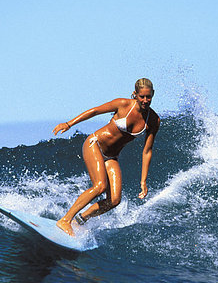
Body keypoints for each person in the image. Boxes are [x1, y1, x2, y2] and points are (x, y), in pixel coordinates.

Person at [52, 78, 160, 236]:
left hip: (111, 157)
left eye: (148, 97)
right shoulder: (123, 104)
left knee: (114, 200)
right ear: (135, 94)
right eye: (141, 96)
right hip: (95, 144)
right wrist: (69, 124)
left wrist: (143, 181)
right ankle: (65, 220)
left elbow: (147, 151)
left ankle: (79, 220)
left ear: (153, 95)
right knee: (100, 186)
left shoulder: (153, 120)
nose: (145, 100)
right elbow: (95, 111)